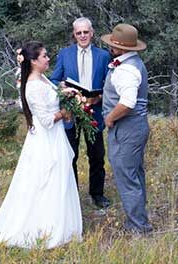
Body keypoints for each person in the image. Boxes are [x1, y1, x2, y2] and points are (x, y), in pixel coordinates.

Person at [0, 42, 82, 251]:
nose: (48, 59)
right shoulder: (32, 85)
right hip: (45, 139)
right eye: (45, 56)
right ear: (33, 61)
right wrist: (64, 114)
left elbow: (53, 94)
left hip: (53, 138)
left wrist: (66, 94)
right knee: (45, 181)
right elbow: (47, 120)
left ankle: (59, 223)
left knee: (58, 179)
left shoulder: (42, 79)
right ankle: (43, 227)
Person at [50, 17, 113, 209]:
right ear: (74, 35)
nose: (83, 36)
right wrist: (62, 87)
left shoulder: (103, 56)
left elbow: (109, 84)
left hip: (94, 110)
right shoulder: (65, 54)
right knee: (71, 155)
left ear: (92, 33)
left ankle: (97, 193)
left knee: (96, 155)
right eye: (79, 33)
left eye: (86, 32)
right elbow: (53, 80)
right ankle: (72, 195)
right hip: (71, 111)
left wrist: (99, 97)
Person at [101, 23, 154, 234]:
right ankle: (139, 219)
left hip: (127, 128)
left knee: (126, 176)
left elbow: (127, 102)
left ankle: (138, 227)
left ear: (119, 48)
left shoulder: (127, 70)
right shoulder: (132, 63)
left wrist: (110, 119)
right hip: (135, 127)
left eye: (112, 45)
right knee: (134, 173)